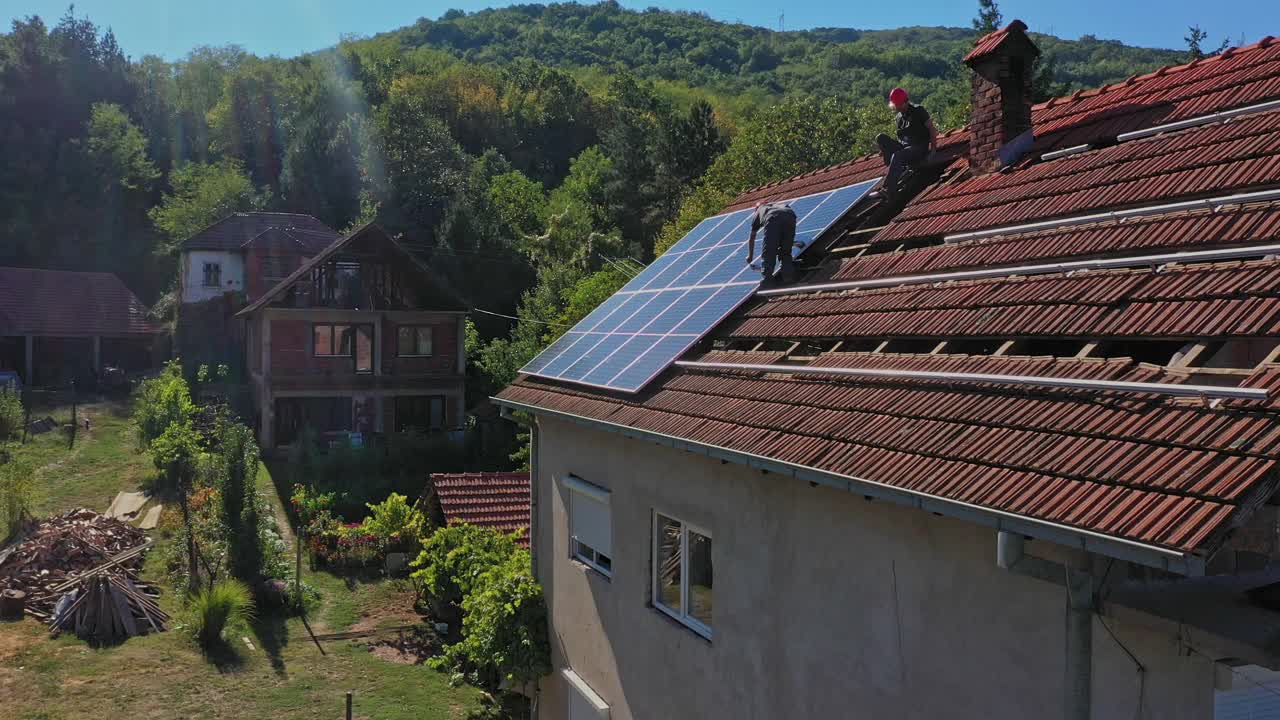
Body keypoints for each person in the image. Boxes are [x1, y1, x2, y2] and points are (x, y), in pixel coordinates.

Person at [875, 87, 937, 199]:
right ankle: (896, 169)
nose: (897, 108)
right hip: (905, 148)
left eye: (899, 105)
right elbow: (901, 138)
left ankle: (888, 190)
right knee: (881, 138)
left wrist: (933, 151)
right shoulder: (899, 117)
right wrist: (885, 149)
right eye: (895, 105)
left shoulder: (919, 111)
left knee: (898, 156)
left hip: (918, 148)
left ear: (905, 101)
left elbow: (932, 130)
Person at [745, 200, 798, 285]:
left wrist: (750, 257)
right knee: (786, 250)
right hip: (790, 215)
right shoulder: (777, 204)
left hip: (773, 217)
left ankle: (768, 280)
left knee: (769, 250)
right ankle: (788, 277)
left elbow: (752, 238)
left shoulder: (759, 210)